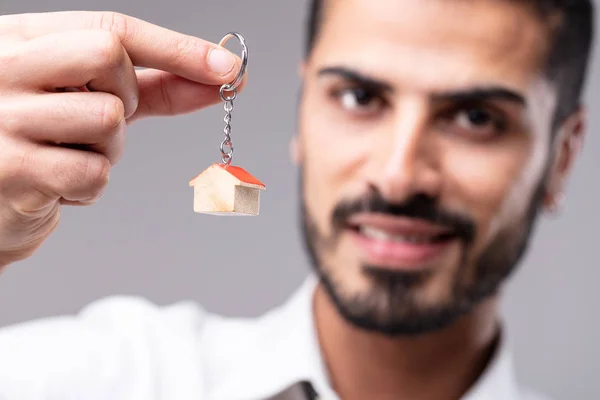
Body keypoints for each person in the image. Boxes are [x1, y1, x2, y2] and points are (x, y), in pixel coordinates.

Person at [0, 0, 594, 398]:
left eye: (475, 117)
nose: (397, 176)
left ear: (561, 156)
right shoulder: (102, 377)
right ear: (303, 111)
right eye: (360, 97)